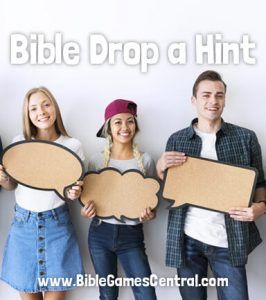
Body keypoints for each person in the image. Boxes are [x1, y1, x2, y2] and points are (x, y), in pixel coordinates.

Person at [156, 70, 266, 300]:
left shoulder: (245, 138)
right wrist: (159, 170)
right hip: (187, 239)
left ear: (225, 99)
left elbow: (260, 183)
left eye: (219, 95)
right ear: (194, 100)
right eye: (206, 95)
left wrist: (261, 207)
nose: (213, 101)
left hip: (229, 239)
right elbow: (171, 192)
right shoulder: (177, 139)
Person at [0, 87, 84, 300]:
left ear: (54, 107)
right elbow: (12, 187)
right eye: (34, 108)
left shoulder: (72, 145)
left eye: (46, 104)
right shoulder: (19, 143)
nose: (41, 112)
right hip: (23, 226)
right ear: (27, 115)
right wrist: (4, 180)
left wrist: (75, 193)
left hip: (58, 226)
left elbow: (70, 194)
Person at [81, 99, 157, 300]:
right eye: (118, 122)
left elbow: (152, 204)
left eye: (130, 121)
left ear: (136, 126)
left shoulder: (146, 161)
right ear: (108, 127)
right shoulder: (96, 161)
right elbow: (87, 201)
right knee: (107, 294)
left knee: (146, 294)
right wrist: (85, 211)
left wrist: (149, 215)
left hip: (131, 235)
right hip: (99, 234)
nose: (125, 127)